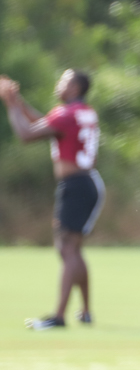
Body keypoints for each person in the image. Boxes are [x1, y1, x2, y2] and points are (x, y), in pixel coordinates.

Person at [0, 70, 104, 330]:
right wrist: (20, 101)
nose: (59, 84)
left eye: (65, 81)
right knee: (73, 249)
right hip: (86, 182)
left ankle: (58, 316)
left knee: (67, 248)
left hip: (76, 184)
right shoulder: (82, 111)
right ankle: (86, 311)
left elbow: (26, 134)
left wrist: (11, 104)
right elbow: (44, 122)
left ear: (76, 88)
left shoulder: (66, 114)